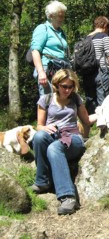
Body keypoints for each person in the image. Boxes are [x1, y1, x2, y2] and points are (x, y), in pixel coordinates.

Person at [30, 69, 91, 215]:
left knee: (54, 148)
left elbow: (87, 121)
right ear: (56, 84)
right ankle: (43, 182)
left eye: (71, 87)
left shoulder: (76, 99)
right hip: (52, 133)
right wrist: (44, 127)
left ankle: (68, 196)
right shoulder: (46, 99)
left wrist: (87, 137)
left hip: (73, 137)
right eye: (64, 86)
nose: (68, 90)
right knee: (38, 137)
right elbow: (38, 126)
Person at [82, 16, 109, 115]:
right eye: (108, 27)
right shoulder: (104, 36)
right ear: (104, 25)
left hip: (87, 73)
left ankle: (89, 125)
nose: (108, 30)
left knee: (90, 99)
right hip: (102, 71)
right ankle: (104, 126)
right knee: (104, 100)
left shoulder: (86, 38)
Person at [30, 0, 70, 95]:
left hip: (61, 70)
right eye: (60, 16)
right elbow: (35, 51)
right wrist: (41, 72)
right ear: (51, 15)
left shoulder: (61, 32)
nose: (62, 18)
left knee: (61, 102)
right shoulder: (42, 28)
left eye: (63, 15)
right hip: (48, 70)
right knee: (48, 101)